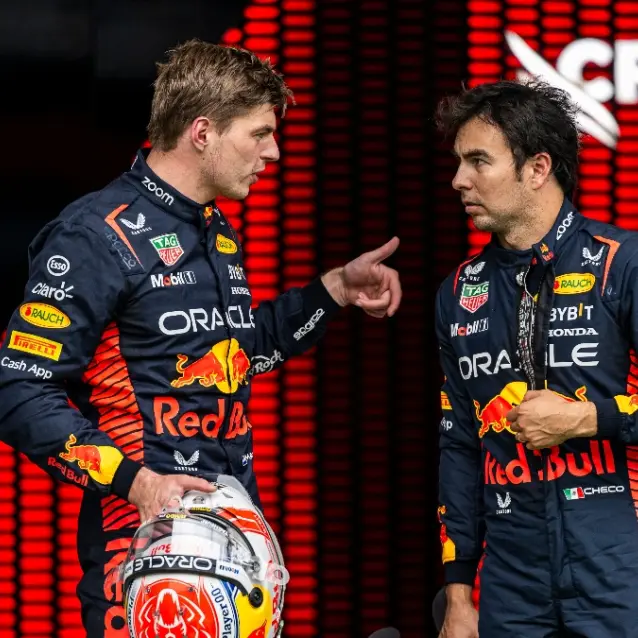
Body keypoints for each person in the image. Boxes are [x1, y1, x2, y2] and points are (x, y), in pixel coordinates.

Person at [0, 40, 402, 636]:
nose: (273, 151)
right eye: (259, 134)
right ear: (203, 131)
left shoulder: (214, 227)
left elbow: (230, 357)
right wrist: (136, 483)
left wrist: (336, 289)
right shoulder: (94, 235)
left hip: (232, 536)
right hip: (141, 544)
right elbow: (19, 391)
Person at [435, 79, 638, 638]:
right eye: (459, 162)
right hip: (512, 578)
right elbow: (459, 446)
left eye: (479, 161)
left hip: (618, 563)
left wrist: (588, 418)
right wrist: (458, 594)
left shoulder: (620, 264)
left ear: (537, 168)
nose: (459, 179)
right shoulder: (458, 292)